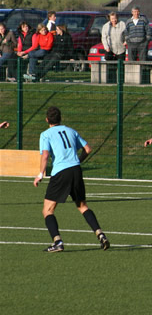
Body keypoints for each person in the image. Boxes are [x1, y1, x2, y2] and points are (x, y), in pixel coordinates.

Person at [33, 106, 110, 252]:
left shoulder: (46, 134)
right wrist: (78, 161)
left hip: (61, 172)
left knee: (47, 210)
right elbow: (88, 149)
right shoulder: (71, 131)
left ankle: (57, 242)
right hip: (76, 170)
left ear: (47, 120)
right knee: (82, 206)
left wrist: (40, 174)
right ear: (60, 118)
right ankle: (101, 235)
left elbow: (45, 155)